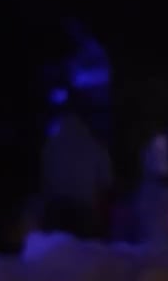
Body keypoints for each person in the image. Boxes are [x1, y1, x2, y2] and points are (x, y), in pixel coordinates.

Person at [38, 101, 113, 239]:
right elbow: (105, 184)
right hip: (82, 214)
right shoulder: (95, 146)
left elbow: (45, 181)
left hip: (56, 212)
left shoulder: (51, 146)